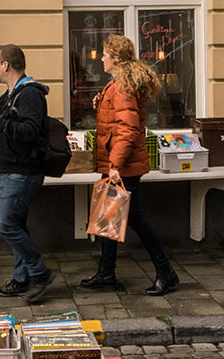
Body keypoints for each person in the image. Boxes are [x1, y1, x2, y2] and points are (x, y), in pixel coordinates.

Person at [81, 35, 179, 296]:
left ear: (115, 57)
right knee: (108, 219)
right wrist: (100, 103)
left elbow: (128, 128)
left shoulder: (122, 87)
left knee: (135, 219)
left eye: (104, 54)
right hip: (116, 163)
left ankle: (166, 272)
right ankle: (106, 273)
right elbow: (118, 119)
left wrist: (115, 165)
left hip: (122, 166)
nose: (101, 58)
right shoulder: (116, 85)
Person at [0, 44, 55, 303]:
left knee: (6, 225)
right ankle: (22, 280)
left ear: (6, 65)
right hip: (8, 171)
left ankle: (40, 272)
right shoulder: (7, 96)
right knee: (17, 225)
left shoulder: (30, 94)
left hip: (23, 172)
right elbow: (3, 131)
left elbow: (31, 131)